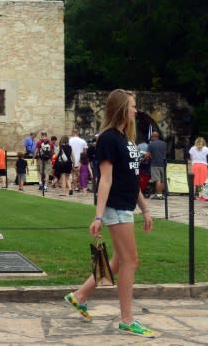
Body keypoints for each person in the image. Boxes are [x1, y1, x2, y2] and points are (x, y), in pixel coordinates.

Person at [64, 89, 155, 338]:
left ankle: (79, 295)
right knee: (131, 261)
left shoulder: (126, 139)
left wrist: (145, 208)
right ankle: (127, 319)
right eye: (133, 106)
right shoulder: (108, 139)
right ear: (122, 109)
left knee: (117, 261)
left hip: (126, 205)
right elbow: (105, 180)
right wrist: (98, 216)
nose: (136, 110)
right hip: (115, 208)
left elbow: (131, 179)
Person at [146, 131, 167, 200]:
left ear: (153, 137)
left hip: (155, 164)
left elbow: (148, 155)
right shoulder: (164, 144)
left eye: (151, 137)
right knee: (162, 180)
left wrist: (144, 157)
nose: (151, 138)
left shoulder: (151, 144)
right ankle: (161, 194)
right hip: (163, 164)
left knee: (157, 180)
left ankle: (158, 195)